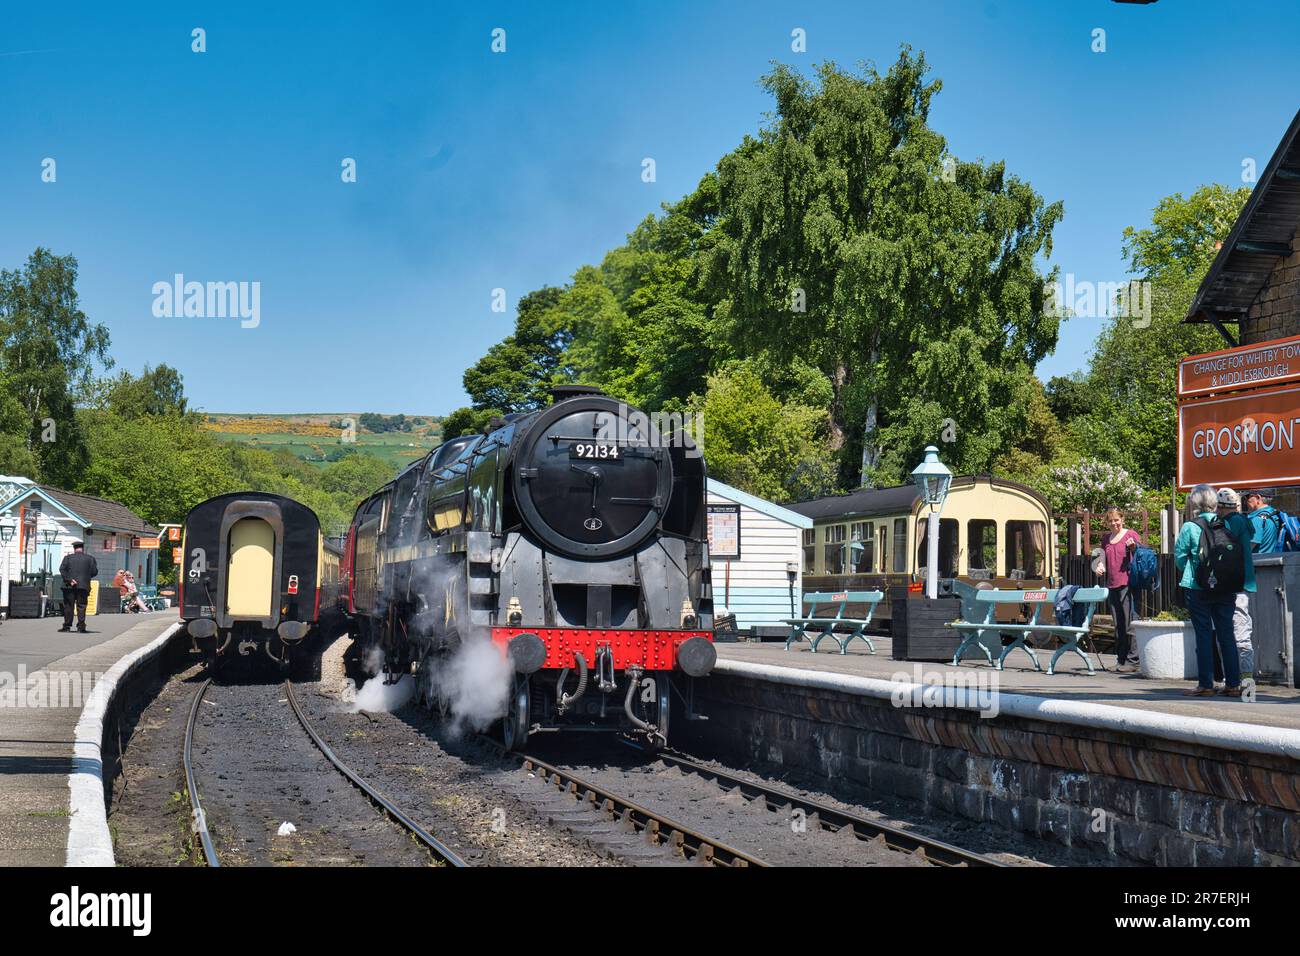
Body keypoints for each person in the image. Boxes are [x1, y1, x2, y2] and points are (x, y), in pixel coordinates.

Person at [1174, 484, 1245, 697]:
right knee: (1227, 634)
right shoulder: (1228, 524)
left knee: (1203, 634)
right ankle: (1233, 683)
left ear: (1194, 503)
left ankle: (1206, 684)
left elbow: (1179, 557)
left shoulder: (1190, 526)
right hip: (1226, 586)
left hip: (1198, 587)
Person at [1217, 488, 1257, 682]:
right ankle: (1241, 680)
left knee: (1237, 636)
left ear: (1222, 507)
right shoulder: (1245, 521)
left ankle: (1242, 683)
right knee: (1241, 633)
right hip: (1244, 583)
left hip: (1233, 585)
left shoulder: (1230, 523)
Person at [1100, 507, 1142, 671]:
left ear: (1122, 519)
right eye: (1111, 521)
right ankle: (1121, 659)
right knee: (1118, 624)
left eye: (1116, 520)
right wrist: (1099, 566)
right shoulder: (1106, 539)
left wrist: (1133, 547)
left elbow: (1140, 554)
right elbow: (1101, 558)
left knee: (1130, 621)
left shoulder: (1131, 534)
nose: (1114, 523)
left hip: (1128, 583)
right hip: (1112, 584)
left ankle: (1134, 661)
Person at [58, 541, 98, 634]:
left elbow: (62, 570)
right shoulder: (90, 559)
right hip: (83, 586)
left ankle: (67, 626)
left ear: (74, 548)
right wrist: (85, 577)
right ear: (82, 548)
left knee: (68, 606)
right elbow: (94, 572)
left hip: (69, 586)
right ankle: (81, 626)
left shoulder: (67, 558)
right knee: (82, 606)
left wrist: (70, 580)